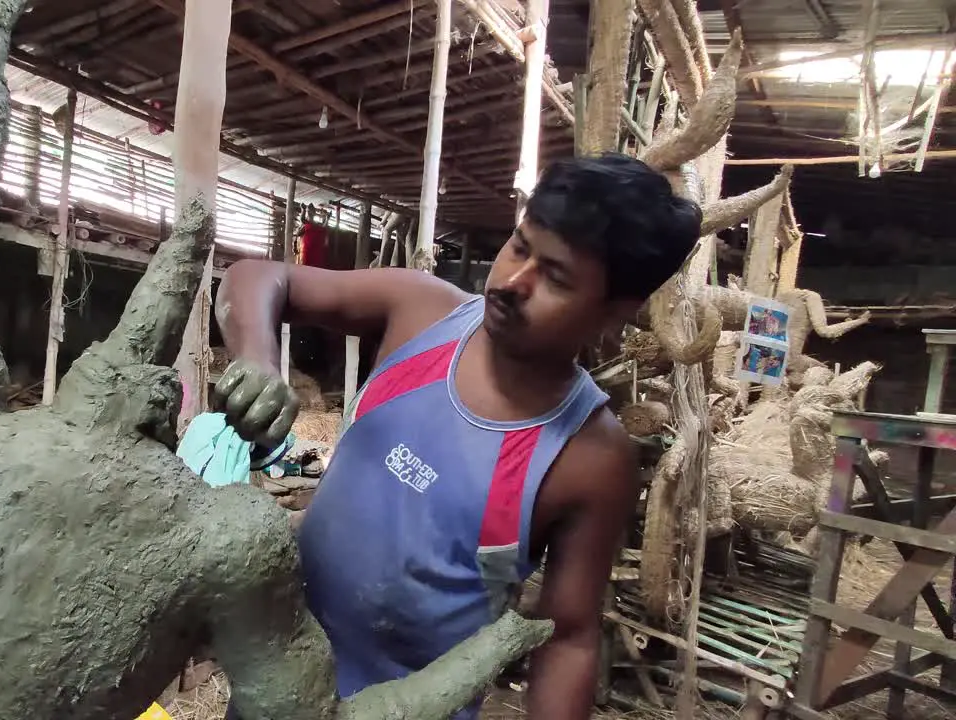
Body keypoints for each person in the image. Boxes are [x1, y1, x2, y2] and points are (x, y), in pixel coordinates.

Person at [212, 153, 701, 719]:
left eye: (557, 277)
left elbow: (567, 636)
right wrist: (257, 360)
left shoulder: (590, 456)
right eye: (519, 246)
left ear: (616, 309)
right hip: (274, 676)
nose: (514, 283)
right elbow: (257, 277)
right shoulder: (421, 312)